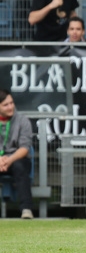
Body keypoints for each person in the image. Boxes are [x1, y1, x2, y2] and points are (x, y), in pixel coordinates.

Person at [0, 89, 34, 220]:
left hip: (16, 158)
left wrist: (8, 160)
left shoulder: (22, 121)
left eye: (11, 103)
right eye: (5, 105)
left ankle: (26, 209)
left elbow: (24, 148)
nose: (10, 107)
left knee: (21, 166)